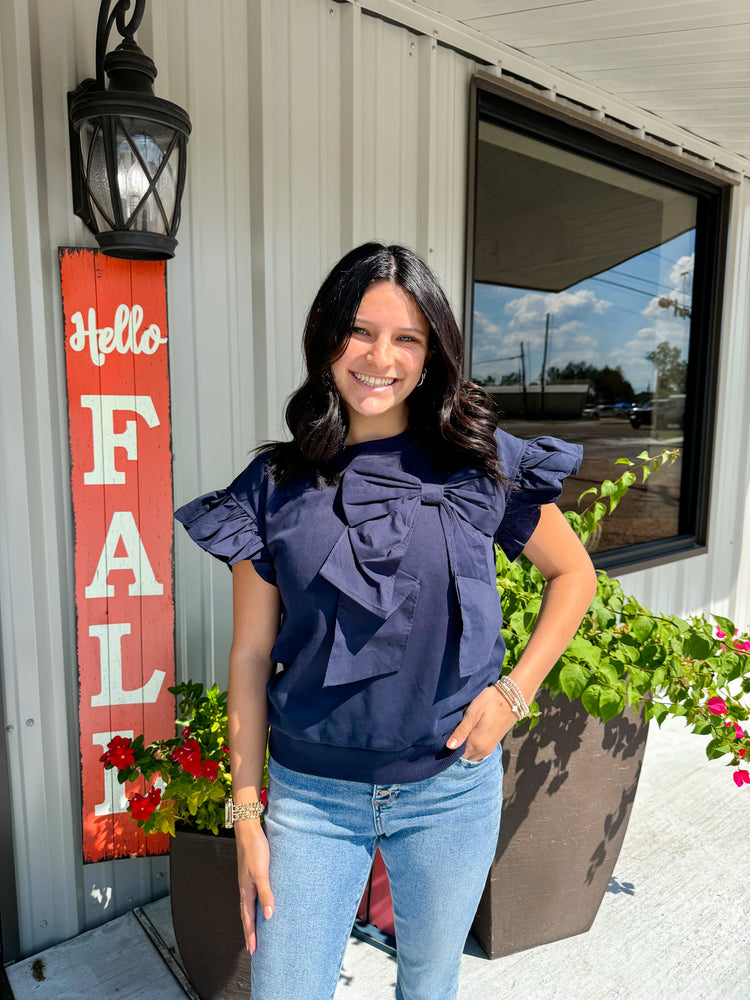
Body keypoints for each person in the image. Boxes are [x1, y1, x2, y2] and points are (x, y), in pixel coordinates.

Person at [175, 242, 597, 1000]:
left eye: (407, 338)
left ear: (432, 354)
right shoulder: (273, 486)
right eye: (361, 331)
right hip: (310, 796)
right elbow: (249, 655)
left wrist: (513, 694)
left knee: (428, 986)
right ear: (326, 337)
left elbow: (574, 575)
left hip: (449, 785)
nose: (380, 357)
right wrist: (245, 812)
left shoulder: (482, 463)